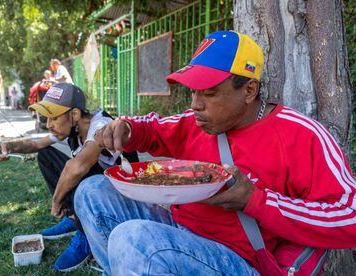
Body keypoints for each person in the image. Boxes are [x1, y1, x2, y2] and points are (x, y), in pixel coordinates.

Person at [75, 30, 356, 275]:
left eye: (208, 93)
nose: (195, 105)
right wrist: (126, 128)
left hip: (241, 261)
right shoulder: (195, 122)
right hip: (181, 233)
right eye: (192, 92)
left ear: (249, 89)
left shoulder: (300, 135)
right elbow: (155, 129)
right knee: (92, 192)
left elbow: (350, 216)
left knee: (134, 240)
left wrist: (257, 200)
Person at [0, 83, 138, 272]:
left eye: (53, 117)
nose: (48, 124)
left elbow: (77, 167)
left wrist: (56, 200)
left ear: (75, 114)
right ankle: (75, 217)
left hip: (124, 196)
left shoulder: (99, 126)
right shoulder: (74, 127)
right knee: (46, 154)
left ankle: (87, 233)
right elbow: (36, 144)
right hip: (100, 187)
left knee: (80, 168)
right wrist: (8, 146)